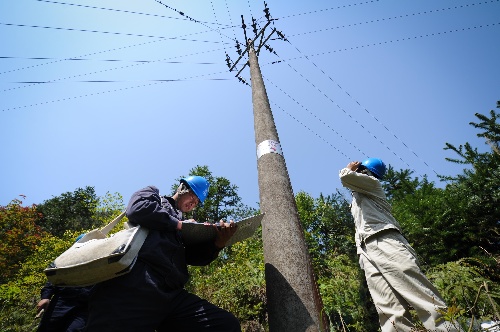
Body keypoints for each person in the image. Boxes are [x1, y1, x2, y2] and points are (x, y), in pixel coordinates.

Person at [85, 176, 240, 332]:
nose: (193, 204)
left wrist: (218, 243)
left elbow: (194, 257)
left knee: (225, 325)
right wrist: (179, 225)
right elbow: (137, 208)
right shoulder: (154, 196)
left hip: (171, 295)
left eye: (197, 203)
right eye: (193, 196)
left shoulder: (188, 228)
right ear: (182, 188)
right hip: (134, 284)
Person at [339, 158, 460, 332]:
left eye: (360, 171)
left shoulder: (372, 184)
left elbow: (346, 178)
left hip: (386, 241)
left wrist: (349, 169)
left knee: (421, 295)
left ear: (365, 171)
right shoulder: (358, 197)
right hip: (365, 251)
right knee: (388, 310)